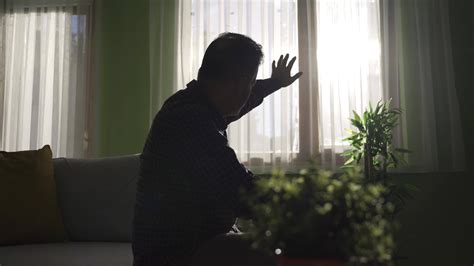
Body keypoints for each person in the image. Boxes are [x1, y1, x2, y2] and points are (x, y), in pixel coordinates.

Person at [132, 32, 303, 266]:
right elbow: (240, 191)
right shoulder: (190, 120)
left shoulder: (190, 104)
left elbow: (243, 101)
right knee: (287, 252)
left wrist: (273, 83)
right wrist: (306, 203)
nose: (250, 90)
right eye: (251, 82)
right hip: (177, 255)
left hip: (194, 243)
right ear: (238, 82)